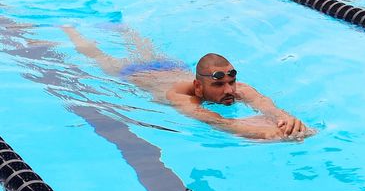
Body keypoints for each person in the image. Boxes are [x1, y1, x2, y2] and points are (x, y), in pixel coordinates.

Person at [62, 24, 315, 141]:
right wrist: (265, 132)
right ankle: (70, 29)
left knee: (138, 42)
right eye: (218, 85)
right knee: (96, 55)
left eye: (231, 82)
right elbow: (219, 122)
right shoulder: (180, 97)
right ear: (198, 87)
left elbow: (267, 106)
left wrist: (287, 120)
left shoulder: (237, 89)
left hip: (169, 67)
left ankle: (118, 27)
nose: (229, 91)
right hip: (133, 73)